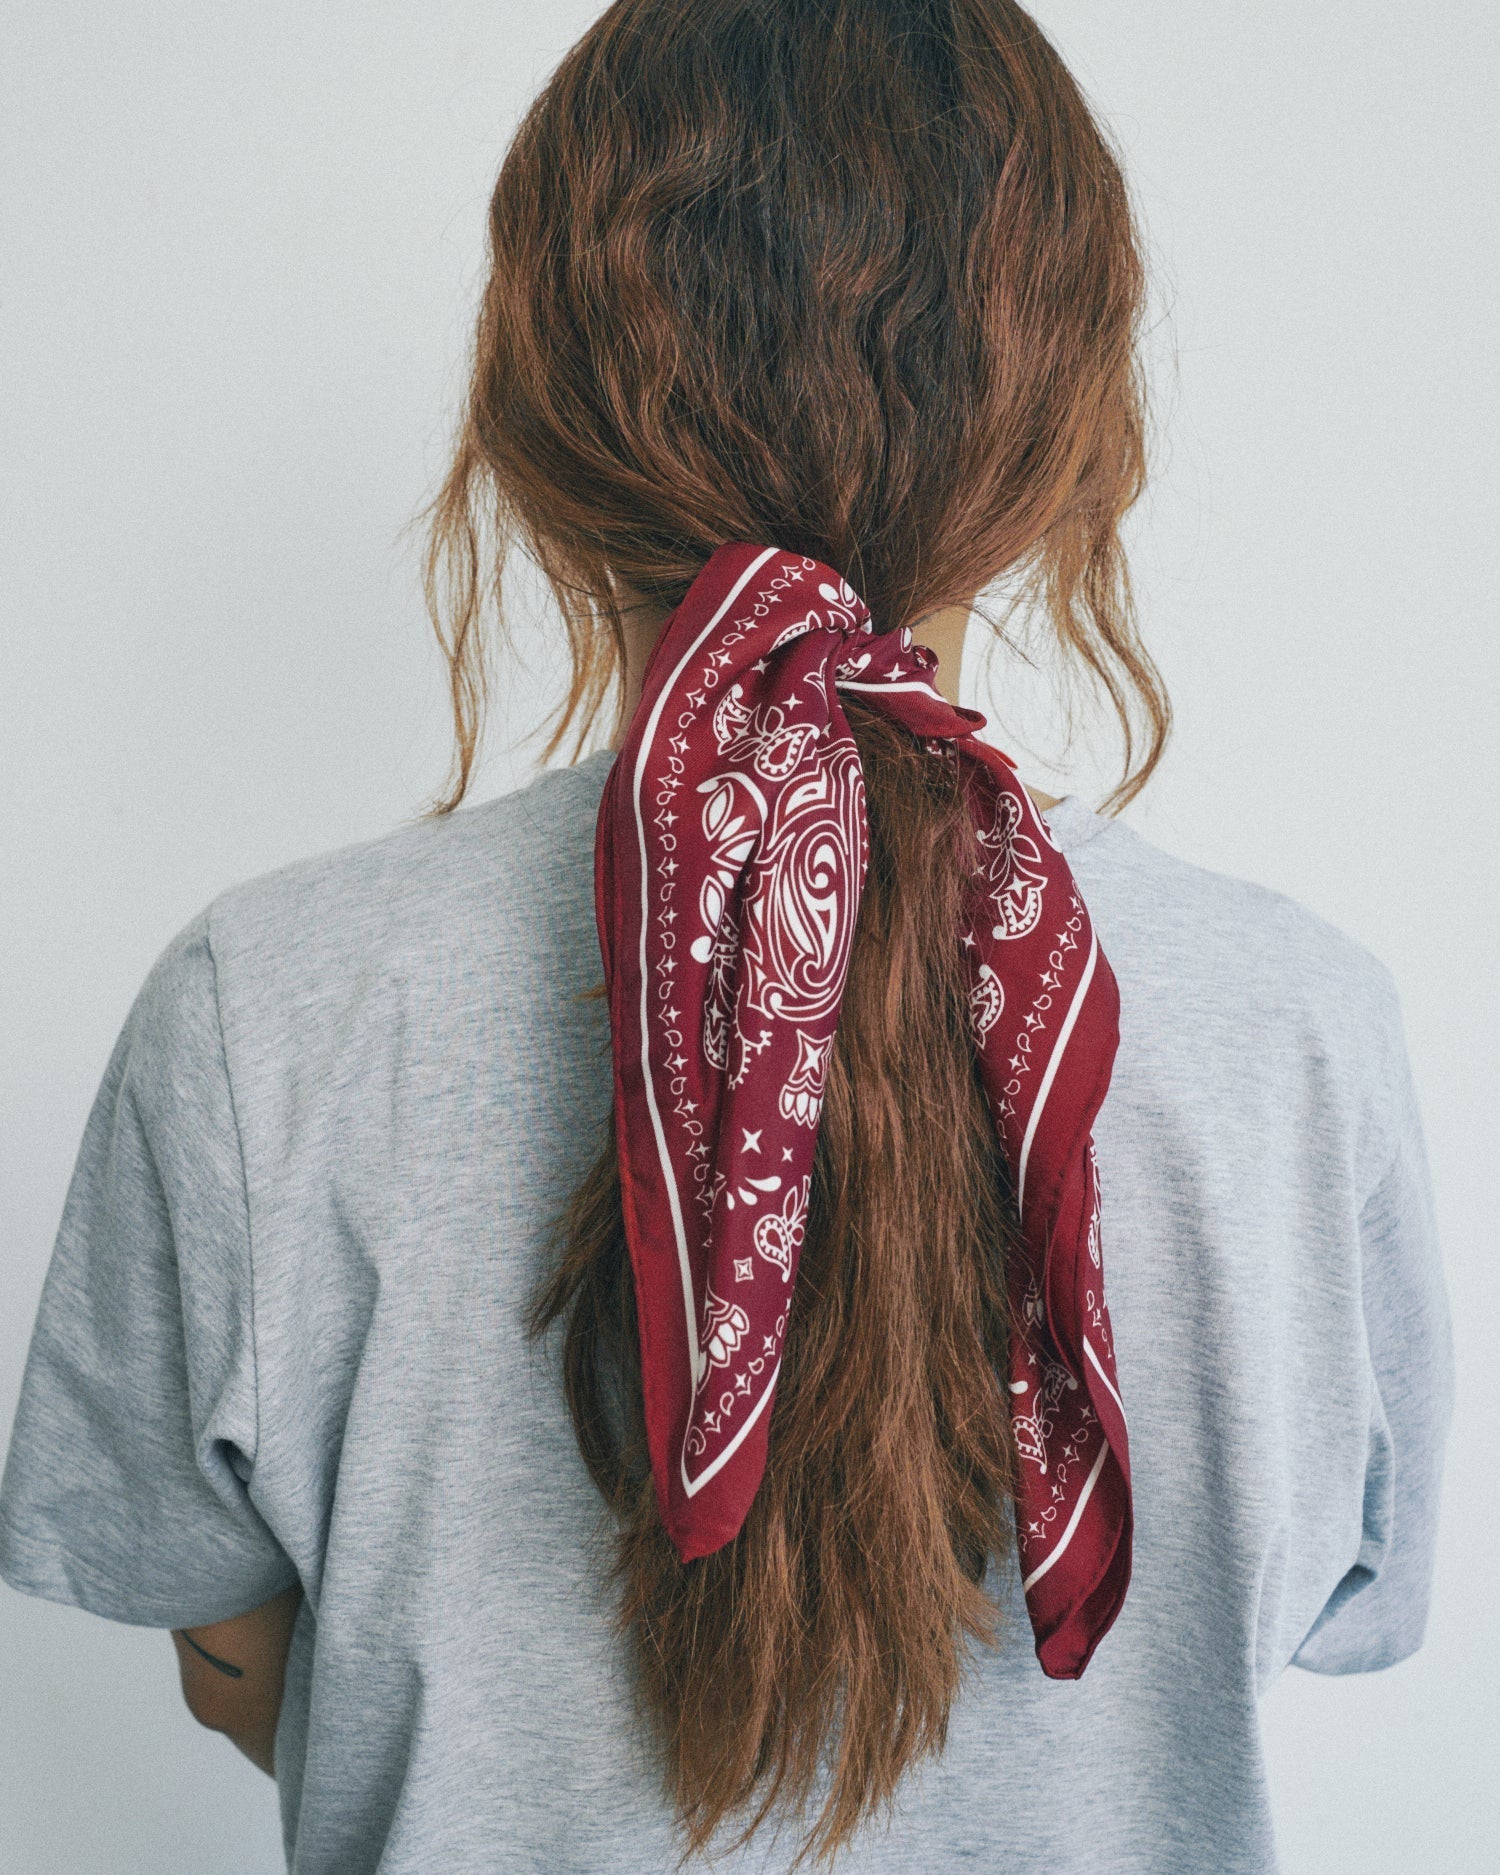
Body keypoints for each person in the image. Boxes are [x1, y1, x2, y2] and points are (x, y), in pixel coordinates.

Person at [0, 2, 1455, 1871]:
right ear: (1072, 433)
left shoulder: (260, 1012)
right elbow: (1323, 1617)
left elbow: (232, 1654)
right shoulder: (1303, 1035)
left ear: (538, 422)